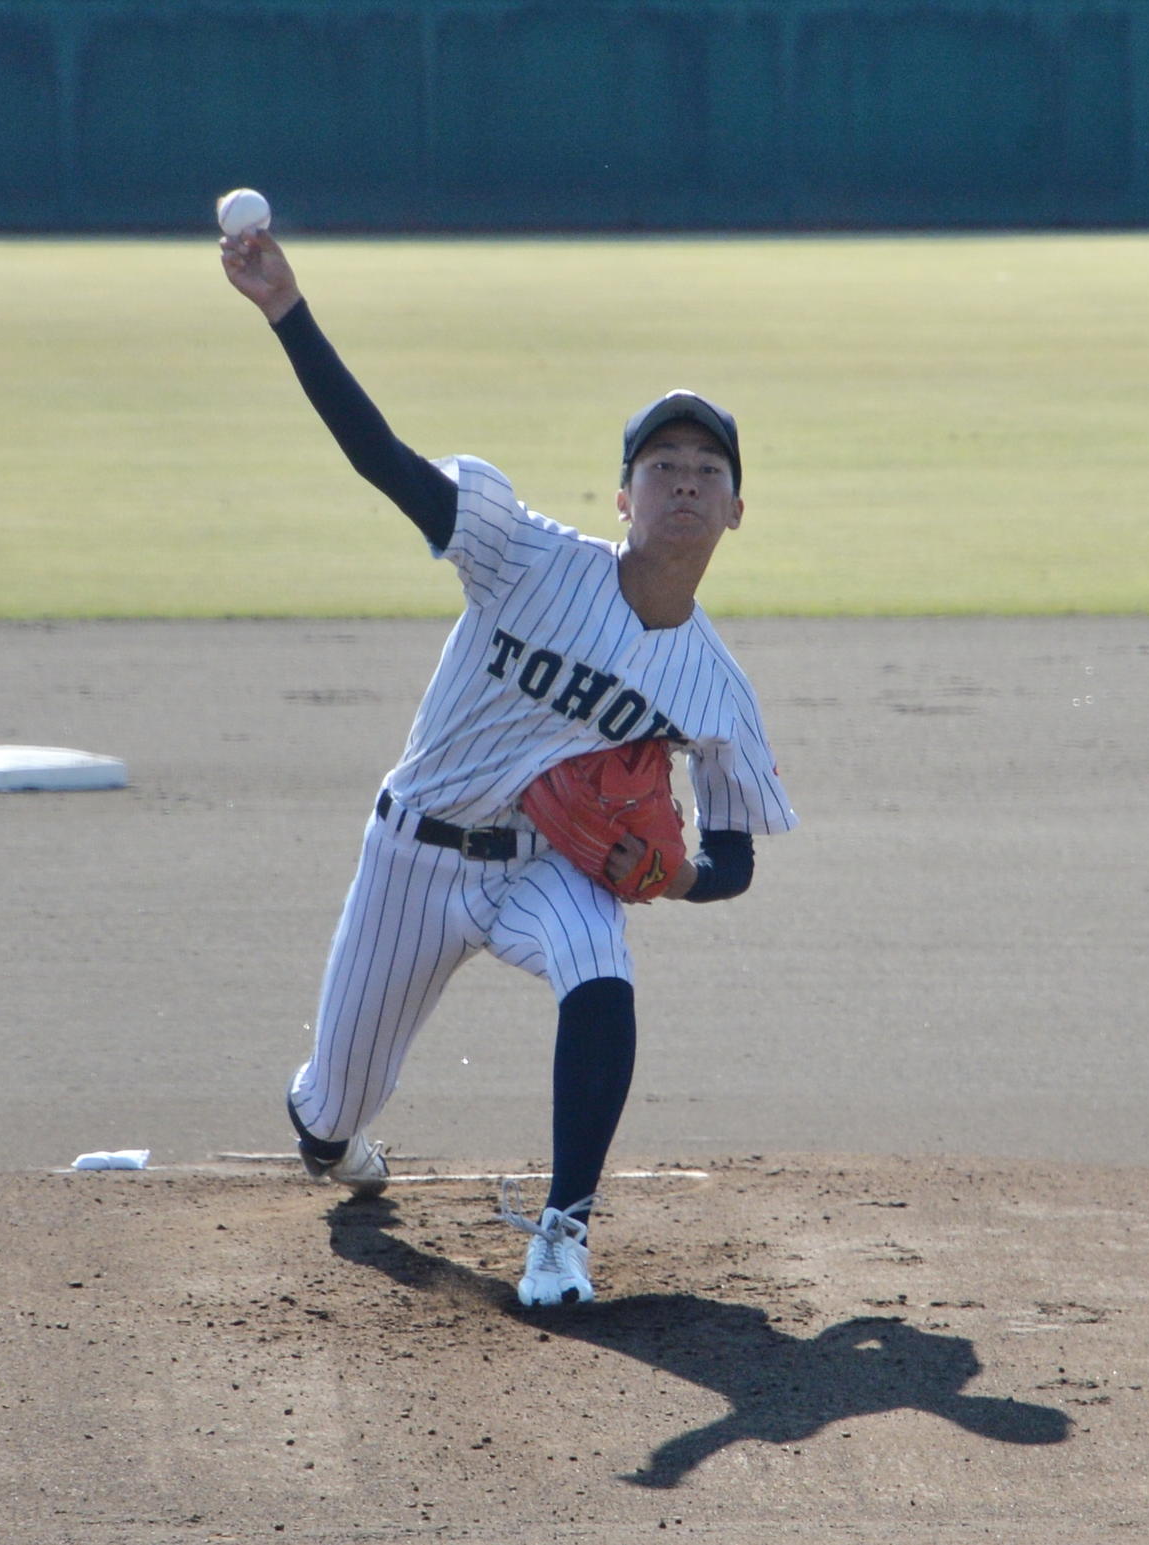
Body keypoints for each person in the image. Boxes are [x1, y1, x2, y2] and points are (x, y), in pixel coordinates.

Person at [221, 231, 797, 1308]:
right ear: (622, 499)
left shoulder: (716, 690)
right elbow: (381, 461)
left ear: (734, 510)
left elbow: (732, 859)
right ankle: (332, 1137)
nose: (683, 481)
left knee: (601, 963)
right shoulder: (521, 554)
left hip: (544, 866)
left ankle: (561, 1237)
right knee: (333, 1112)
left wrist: (669, 876)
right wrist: (287, 309)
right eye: (659, 467)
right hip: (413, 856)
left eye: (705, 470)